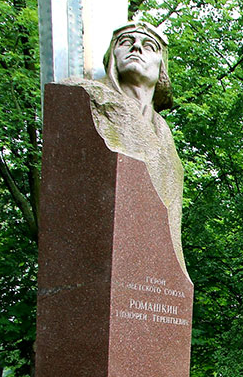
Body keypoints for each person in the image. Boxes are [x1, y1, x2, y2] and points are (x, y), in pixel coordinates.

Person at [65, 22, 186, 274]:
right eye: (126, 42)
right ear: (113, 56)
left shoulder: (163, 132)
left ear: (162, 65)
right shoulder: (86, 98)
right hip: (96, 266)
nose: (137, 48)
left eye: (149, 46)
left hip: (158, 276)